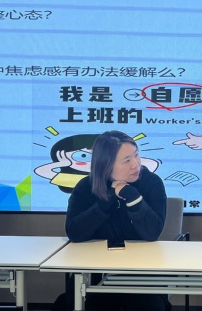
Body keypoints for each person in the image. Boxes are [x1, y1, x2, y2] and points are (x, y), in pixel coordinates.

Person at [54, 130, 170, 311]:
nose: (135, 164)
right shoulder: (86, 187)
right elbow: (75, 233)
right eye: (126, 160)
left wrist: (133, 197)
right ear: (106, 166)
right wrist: (106, 200)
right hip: (93, 271)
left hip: (141, 272)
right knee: (74, 304)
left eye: (136, 155)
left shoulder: (151, 182)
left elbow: (152, 232)